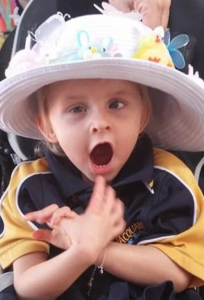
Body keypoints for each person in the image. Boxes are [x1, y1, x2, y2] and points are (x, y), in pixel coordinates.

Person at [0, 4, 204, 300]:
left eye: (117, 104)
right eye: (77, 109)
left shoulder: (168, 179)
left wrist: (99, 249)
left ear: (143, 116)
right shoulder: (31, 186)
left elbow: (179, 272)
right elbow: (28, 285)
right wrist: (80, 253)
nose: (99, 124)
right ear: (48, 127)